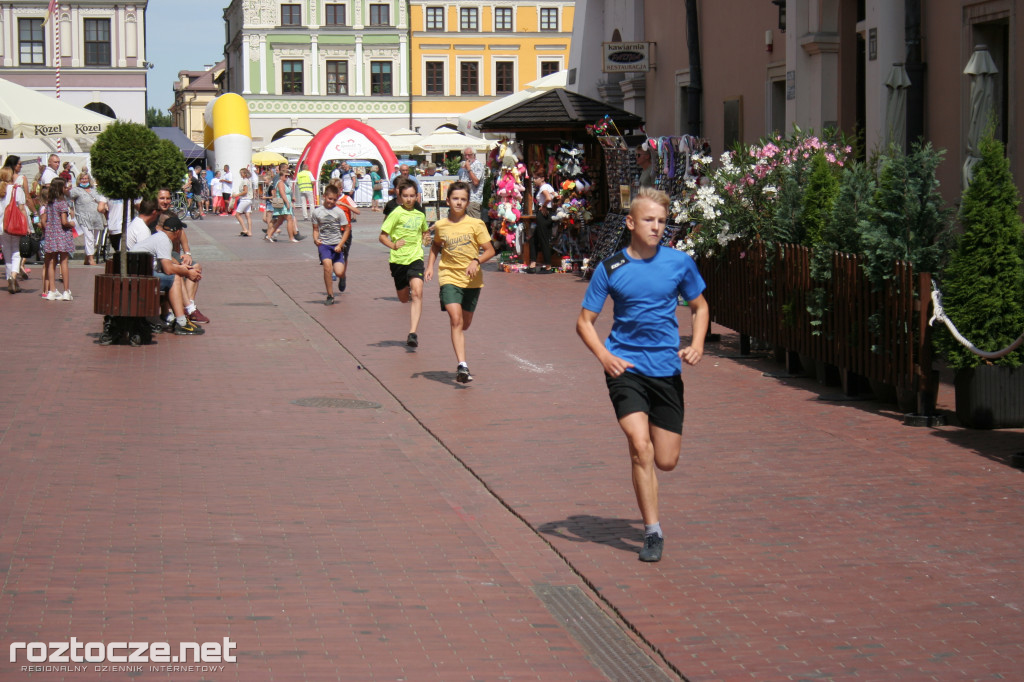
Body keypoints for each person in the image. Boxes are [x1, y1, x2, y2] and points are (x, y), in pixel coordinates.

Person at [575, 187, 710, 563]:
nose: (656, 227)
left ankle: (650, 462)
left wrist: (697, 343)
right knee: (639, 445)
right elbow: (585, 322)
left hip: (666, 370)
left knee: (665, 460)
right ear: (631, 222)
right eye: (649, 220)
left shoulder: (680, 263)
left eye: (662, 221)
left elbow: (700, 307)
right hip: (626, 368)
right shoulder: (611, 268)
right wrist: (604, 356)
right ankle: (652, 532)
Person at [425, 181, 496, 383]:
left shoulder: (476, 224)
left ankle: (460, 349)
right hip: (448, 276)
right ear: (448, 200)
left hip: (472, 281)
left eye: (463, 199)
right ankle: (462, 365)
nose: (459, 202)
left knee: (464, 324)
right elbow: (436, 246)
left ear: (467, 202)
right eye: (455, 199)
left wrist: (476, 260)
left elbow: (490, 250)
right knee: (455, 319)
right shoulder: (441, 225)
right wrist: (430, 266)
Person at [129, 215, 204, 336]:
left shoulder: (159, 237)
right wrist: (188, 272)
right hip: (140, 276)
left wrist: (183, 268)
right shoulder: (164, 240)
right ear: (178, 232)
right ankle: (181, 322)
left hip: (136, 272)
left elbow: (168, 263)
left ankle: (181, 318)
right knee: (174, 278)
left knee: (176, 276)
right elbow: (168, 269)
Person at [379, 179, 429, 347]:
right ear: (400, 196)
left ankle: (413, 333)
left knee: (418, 292)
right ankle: (405, 291)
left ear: (417, 196)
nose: (409, 199)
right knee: (403, 298)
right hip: (398, 260)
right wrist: (393, 245)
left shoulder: (420, 214)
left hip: (415, 257)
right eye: (405, 196)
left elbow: (424, 233)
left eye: (412, 196)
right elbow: (382, 236)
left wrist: (426, 238)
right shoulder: (396, 213)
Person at [155, 188, 207, 324]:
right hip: (161, 256)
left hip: (172, 254)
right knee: (184, 272)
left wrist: (187, 253)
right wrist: (182, 266)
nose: (165, 201)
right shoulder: (154, 217)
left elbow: (180, 231)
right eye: (162, 198)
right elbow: (160, 252)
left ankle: (188, 308)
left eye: (167, 198)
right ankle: (189, 309)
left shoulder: (171, 215)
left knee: (195, 266)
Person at [311, 185, 351, 305]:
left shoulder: (339, 212)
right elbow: (315, 229)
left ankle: (343, 277)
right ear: (324, 197)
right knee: (327, 267)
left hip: (337, 245)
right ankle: (330, 295)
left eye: (334, 200)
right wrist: (315, 239)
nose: (331, 202)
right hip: (324, 244)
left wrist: (341, 244)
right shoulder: (317, 212)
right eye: (329, 199)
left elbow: (347, 229)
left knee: (339, 272)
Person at [42, 178, 75, 301]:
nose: (66, 189)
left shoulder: (49, 203)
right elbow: (64, 221)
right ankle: (66, 291)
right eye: (65, 187)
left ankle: (52, 290)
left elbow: (46, 219)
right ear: (61, 188)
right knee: (64, 261)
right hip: (62, 234)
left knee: (51, 262)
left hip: (51, 234)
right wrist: (71, 224)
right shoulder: (62, 203)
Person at [68, 170, 107, 266]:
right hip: (83, 217)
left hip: (96, 217)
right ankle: (91, 258)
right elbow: (68, 197)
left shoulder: (95, 190)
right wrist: (71, 210)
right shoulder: (76, 190)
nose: (84, 180)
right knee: (89, 237)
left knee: (94, 239)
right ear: (79, 180)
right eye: (82, 179)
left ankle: (87, 257)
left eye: (86, 179)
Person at [528, 165, 556, 273]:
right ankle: (532, 264)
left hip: (543, 214)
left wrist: (543, 206)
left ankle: (548, 266)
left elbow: (548, 198)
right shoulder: (549, 187)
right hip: (547, 214)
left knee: (543, 240)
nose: (534, 180)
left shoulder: (544, 188)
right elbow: (555, 196)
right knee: (534, 239)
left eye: (536, 178)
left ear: (542, 178)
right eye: (534, 178)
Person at [266, 162, 297, 242]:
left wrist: (291, 199)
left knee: (279, 221)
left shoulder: (283, 183)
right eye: (285, 176)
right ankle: (291, 237)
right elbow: (282, 193)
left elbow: (287, 192)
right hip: (283, 204)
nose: (287, 177)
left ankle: (269, 236)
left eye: (287, 176)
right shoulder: (280, 183)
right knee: (289, 219)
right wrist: (287, 202)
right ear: (281, 176)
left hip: (285, 203)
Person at [457, 147, 485, 218]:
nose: (467, 157)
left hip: (473, 200)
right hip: (464, 199)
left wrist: (469, 169)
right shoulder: (466, 165)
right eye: (465, 155)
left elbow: (476, 182)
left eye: (469, 155)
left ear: (474, 155)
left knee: (474, 224)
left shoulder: (478, 165)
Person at [234, 167, 254, 236]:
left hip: (245, 199)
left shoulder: (245, 181)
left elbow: (245, 191)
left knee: (237, 214)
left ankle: (245, 229)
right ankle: (250, 232)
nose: (240, 174)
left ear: (245, 174)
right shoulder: (249, 180)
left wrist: (237, 195)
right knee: (248, 215)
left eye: (241, 173)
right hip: (249, 199)